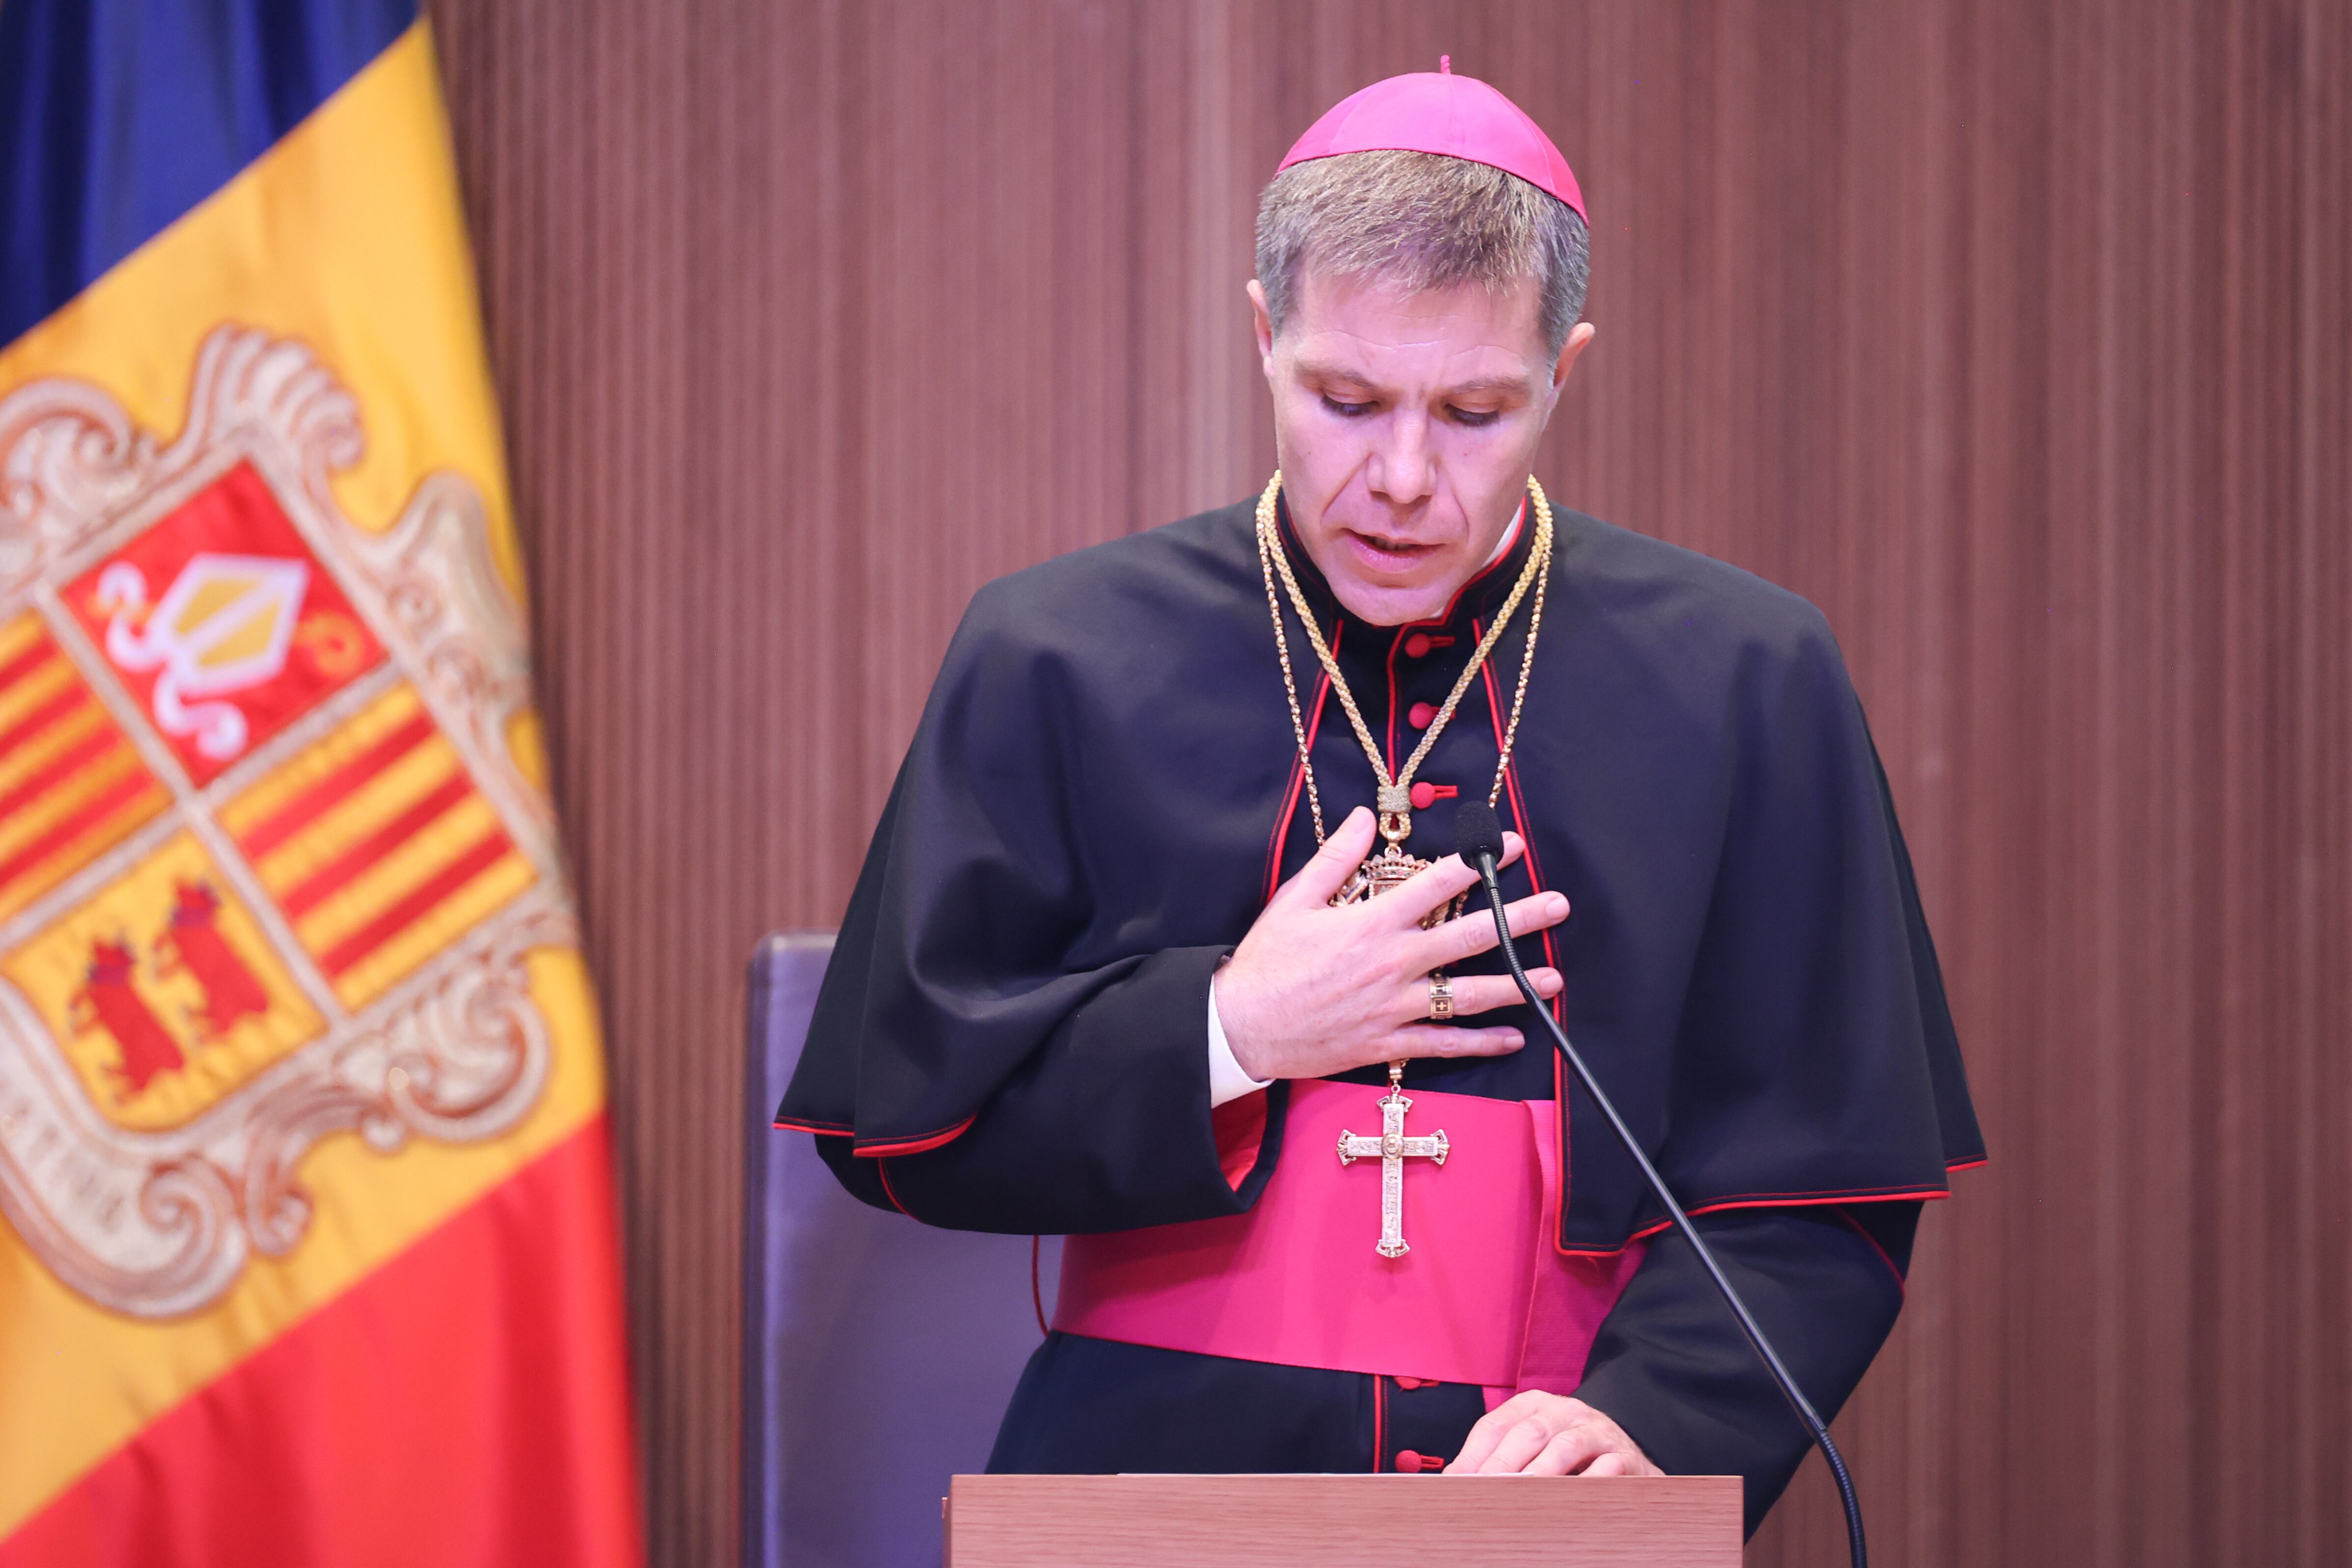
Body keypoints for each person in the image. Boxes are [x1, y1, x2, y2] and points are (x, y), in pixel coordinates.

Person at [776, 62, 1982, 1535]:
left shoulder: (1746, 675)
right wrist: (1233, 1031)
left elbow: (1824, 1171)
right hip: (1142, 1482)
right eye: (1343, 400)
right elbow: (898, 1121)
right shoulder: (1058, 650)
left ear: (1565, 373)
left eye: (1474, 411)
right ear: (1262, 338)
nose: (1402, 479)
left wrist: (1652, 1420)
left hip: (1552, 1498)